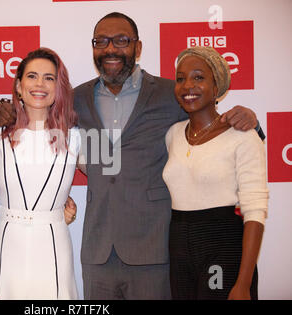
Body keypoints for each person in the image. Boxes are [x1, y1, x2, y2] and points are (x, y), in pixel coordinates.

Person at [73, 12, 262, 299]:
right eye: (101, 41)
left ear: (138, 48)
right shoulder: (76, 99)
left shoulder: (170, 93)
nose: (110, 49)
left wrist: (253, 122)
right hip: (97, 251)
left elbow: (212, 125)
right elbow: (38, 120)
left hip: (154, 249)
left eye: (121, 40)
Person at [163, 46, 268, 300]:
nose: (188, 85)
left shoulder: (243, 136)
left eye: (199, 77)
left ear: (217, 85)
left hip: (222, 244)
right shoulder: (173, 134)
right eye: (180, 78)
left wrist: (243, 283)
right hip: (178, 247)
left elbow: (255, 211)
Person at [0, 48, 80, 300]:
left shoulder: (76, 138)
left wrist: (64, 202)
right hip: (7, 242)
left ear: (58, 87)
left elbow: (110, 179)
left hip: (54, 243)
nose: (40, 84)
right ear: (18, 86)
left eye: (49, 78)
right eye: (32, 76)